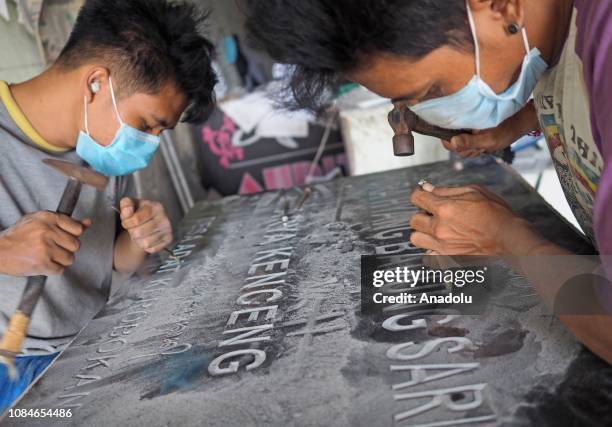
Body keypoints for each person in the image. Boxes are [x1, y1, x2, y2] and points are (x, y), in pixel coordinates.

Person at [246, 0, 612, 363]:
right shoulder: (553, 28)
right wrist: (526, 117)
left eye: (433, 91)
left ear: (501, 6)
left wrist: (510, 241)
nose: (437, 111)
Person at [0, 0, 216, 412]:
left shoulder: (99, 145)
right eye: (147, 126)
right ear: (96, 83)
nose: (149, 146)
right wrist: (4, 252)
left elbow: (109, 261)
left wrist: (138, 241)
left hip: (90, 348)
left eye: (160, 132)